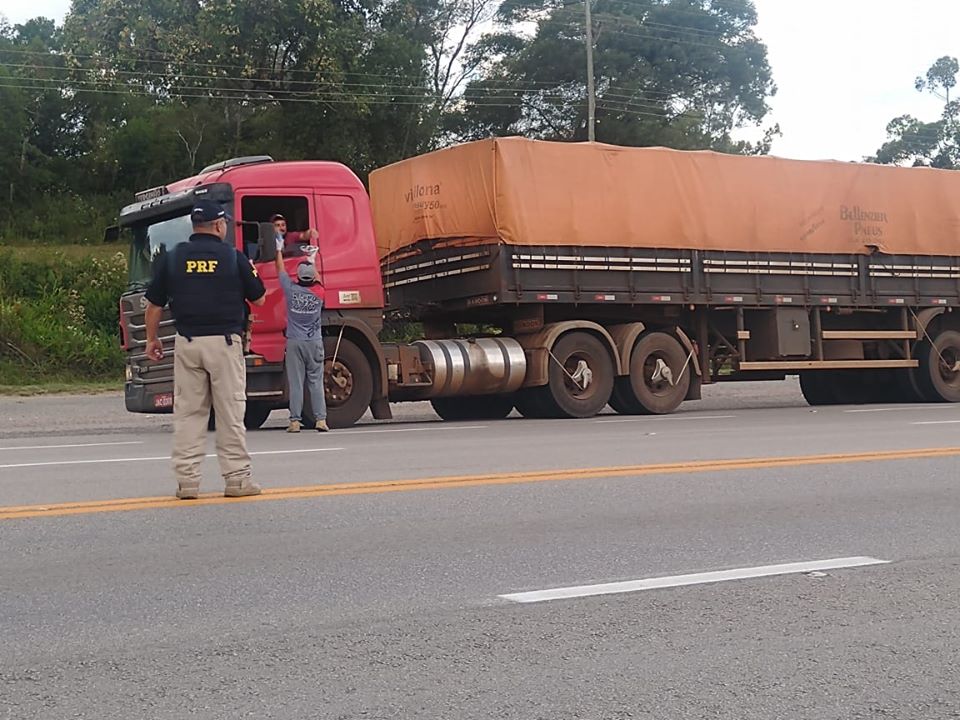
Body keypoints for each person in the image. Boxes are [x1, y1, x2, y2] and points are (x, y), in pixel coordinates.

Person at [144, 199, 267, 500]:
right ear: (218, 225)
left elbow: (154, 305)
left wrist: (151, 339)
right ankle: (237, 480)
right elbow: (260, 298)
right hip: (224, 344)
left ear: (195, 226)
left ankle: (187, 482)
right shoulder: (233, 257)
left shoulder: (173, 258)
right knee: (230, 413)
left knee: (189, 415)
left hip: (187, 344)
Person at [274, 235, 329, 433]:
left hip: (294, 342)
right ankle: (320, 420)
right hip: (314, 342)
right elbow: (319, 280)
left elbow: (280, 270)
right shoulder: (319, 293)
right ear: (312, 277)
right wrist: (312, 260)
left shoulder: (291, 290)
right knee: (316, 382)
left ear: (297, 276)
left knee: (296, 383)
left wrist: (279, 250)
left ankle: (295, 422)